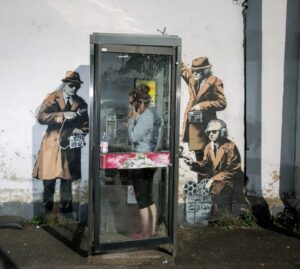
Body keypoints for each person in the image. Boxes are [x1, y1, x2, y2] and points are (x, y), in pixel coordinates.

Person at [32, 71, 89, 215]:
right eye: (71, 85)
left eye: (76, 86)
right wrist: (62, 115)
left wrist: (80, 130)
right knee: (49, 181)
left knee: (66, 181)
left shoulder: (81, 102)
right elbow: (41, 117)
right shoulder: (52, 98)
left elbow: (86, 125)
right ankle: (47, 211)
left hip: (69, 147)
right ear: (64, 84)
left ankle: (66, 212)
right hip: (52, 146)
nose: (74, 89)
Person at [185, 119, 245, 216]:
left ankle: (223, 217)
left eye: (214, 131)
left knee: (219, 198)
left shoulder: (230, 146)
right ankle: (215, 216)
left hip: (230, 182)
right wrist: (193, 163)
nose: (211, 134)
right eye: (209, 132)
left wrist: (212, 180)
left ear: (223, 132)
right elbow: (206, 165)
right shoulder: (209, 147)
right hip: (216, 182)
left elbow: (232, 170)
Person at [127, 84, 161, 239]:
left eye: (132, 104)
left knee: (141, 198)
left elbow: (133, 137)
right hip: (151, 159)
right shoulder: (154, 113)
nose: (131, 107)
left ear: (139, 103)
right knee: (148, 196)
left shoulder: (146, 116)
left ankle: (144, 232)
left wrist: (131, 121)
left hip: (141, 160)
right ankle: (152, 230)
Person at [181, 57, 227, 162]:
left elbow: (222, 103)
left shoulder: (215, 81)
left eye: (197, 72)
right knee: (200, 161)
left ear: (205, 71)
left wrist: (202, 105)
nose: (194, 74)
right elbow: (183, 69)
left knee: (209, 161)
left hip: (207, 128)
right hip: (194, 128)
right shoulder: (193, 79)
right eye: (193, 71)